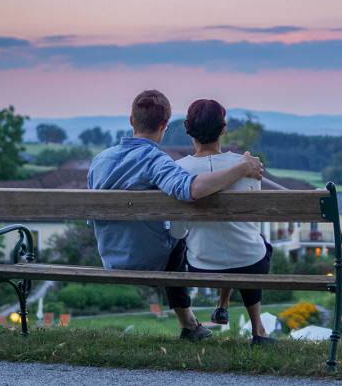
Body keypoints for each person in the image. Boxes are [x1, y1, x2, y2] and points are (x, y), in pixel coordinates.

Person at [88, 90, 263, 341]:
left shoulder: (100, 160)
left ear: (131, 120)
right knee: (178, 237)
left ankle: (193, 324)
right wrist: (242, 167)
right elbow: (193, 190)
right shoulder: (157, 161)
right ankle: (189, 326)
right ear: (164, 125)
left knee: (177, 231)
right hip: (148, 258)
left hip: (111, 256)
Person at [171, 99, 277, 346]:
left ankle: (222, 305)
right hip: (250, 261)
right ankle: (258, 330)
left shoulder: (177, 171)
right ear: (223, 129)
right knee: (255, 246)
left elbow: (177, 233)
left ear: (188, 129)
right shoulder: (248, 166)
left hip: (203, 265)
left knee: (226, 243)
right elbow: (252, 223)